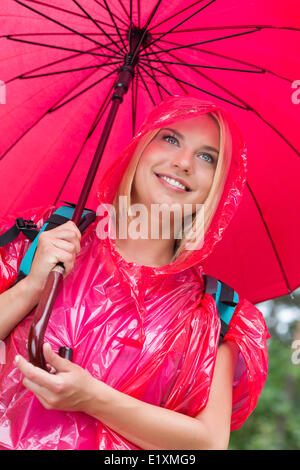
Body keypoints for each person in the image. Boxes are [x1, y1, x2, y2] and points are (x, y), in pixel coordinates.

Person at [0, 95, 269, 450]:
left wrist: (92, 398)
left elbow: (208, 442)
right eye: (170, 138)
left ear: (219, 186)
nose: (183, 162)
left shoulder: (216, 311)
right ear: (139, 147)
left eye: (207, 157)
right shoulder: (44, 238)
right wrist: (33, 286)